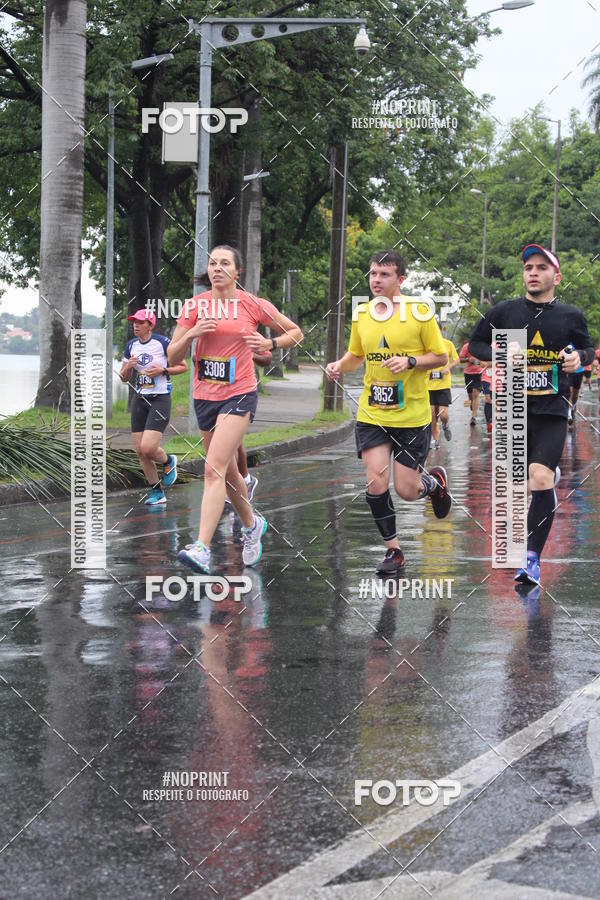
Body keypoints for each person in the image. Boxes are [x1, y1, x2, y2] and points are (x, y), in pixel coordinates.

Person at [167, 245, 303, 574]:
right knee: (227, 475)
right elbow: (172, 357)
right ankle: (251, 524)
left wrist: (270, 343)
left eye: (224, 263)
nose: (217, 268)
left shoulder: (251, 304)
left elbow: (295, 333)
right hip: (205, 397)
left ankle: (201, 548)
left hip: (240, 394)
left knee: (213, 468)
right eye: (212, 263)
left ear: (236, 272)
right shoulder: (195, 307)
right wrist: (193, 334)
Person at [469, 243, 595, 585]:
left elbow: (587, 350)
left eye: (541, 268)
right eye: (529, 268)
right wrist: (496, 353)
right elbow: (475, 345)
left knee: (540, 478)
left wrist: (577, 359)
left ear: (557, 276)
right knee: (515, 486)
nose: (534, 273)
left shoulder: (570, 316)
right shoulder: (505, 312)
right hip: (511, 406)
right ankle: (526, 531)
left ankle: (531, 559)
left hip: (552, 408)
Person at [325, 250, 452, 578]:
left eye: (384, 275)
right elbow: (356, 354)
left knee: (406, 490)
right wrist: (340, 365)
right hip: (373, 413)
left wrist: (411, 362)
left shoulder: (420, 313)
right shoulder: (363, 314)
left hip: (411, 416)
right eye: (373, 274)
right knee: (376, 481)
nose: (376, 280)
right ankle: (393, 550)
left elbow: (439, 357)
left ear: (401, 280)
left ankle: (434, 483)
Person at [119, 309, 187, 506]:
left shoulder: (163, 342)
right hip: (140, 400)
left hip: (160, 400)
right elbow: (123, 378)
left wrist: (163, 370)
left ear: (150, 324)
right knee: (141, 451)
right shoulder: (131, 346)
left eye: (140, 322)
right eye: (134, 322)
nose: (135, 325)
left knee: (149, 448)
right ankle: (157, 492)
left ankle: (168, 461)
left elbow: (183, 366)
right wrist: (128, 367)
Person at [428, 334, 459, 449]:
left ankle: (445, 425)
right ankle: (436, 441)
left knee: (443, 414)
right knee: (432, 414)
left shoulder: (447, 344)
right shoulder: (426, 344)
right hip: (428, 386)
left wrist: (448, 367)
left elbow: (457, 360)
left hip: (443, 385)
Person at [459, 341, 484, 426]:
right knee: (470, 395)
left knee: (476, 394)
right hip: (468, 373)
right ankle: (471, 402)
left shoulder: (482, 346)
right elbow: (460, 359)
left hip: (479, 373)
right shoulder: (466, 346)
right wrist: (469, 359)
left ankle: (473, 418)